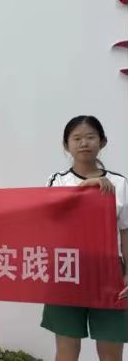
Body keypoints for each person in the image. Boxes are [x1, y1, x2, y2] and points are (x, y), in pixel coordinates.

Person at [41, 116, 127, 361]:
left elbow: (125, 232)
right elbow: (50, 216)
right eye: (76, 138)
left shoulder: (119, 183)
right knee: (67, 351)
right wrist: (85, 188)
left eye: (90, 137)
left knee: (111, 353)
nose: (84, 143)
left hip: (108, 273)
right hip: (67, 269)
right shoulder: (57, 181)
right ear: (66, 145)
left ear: (102, 141)